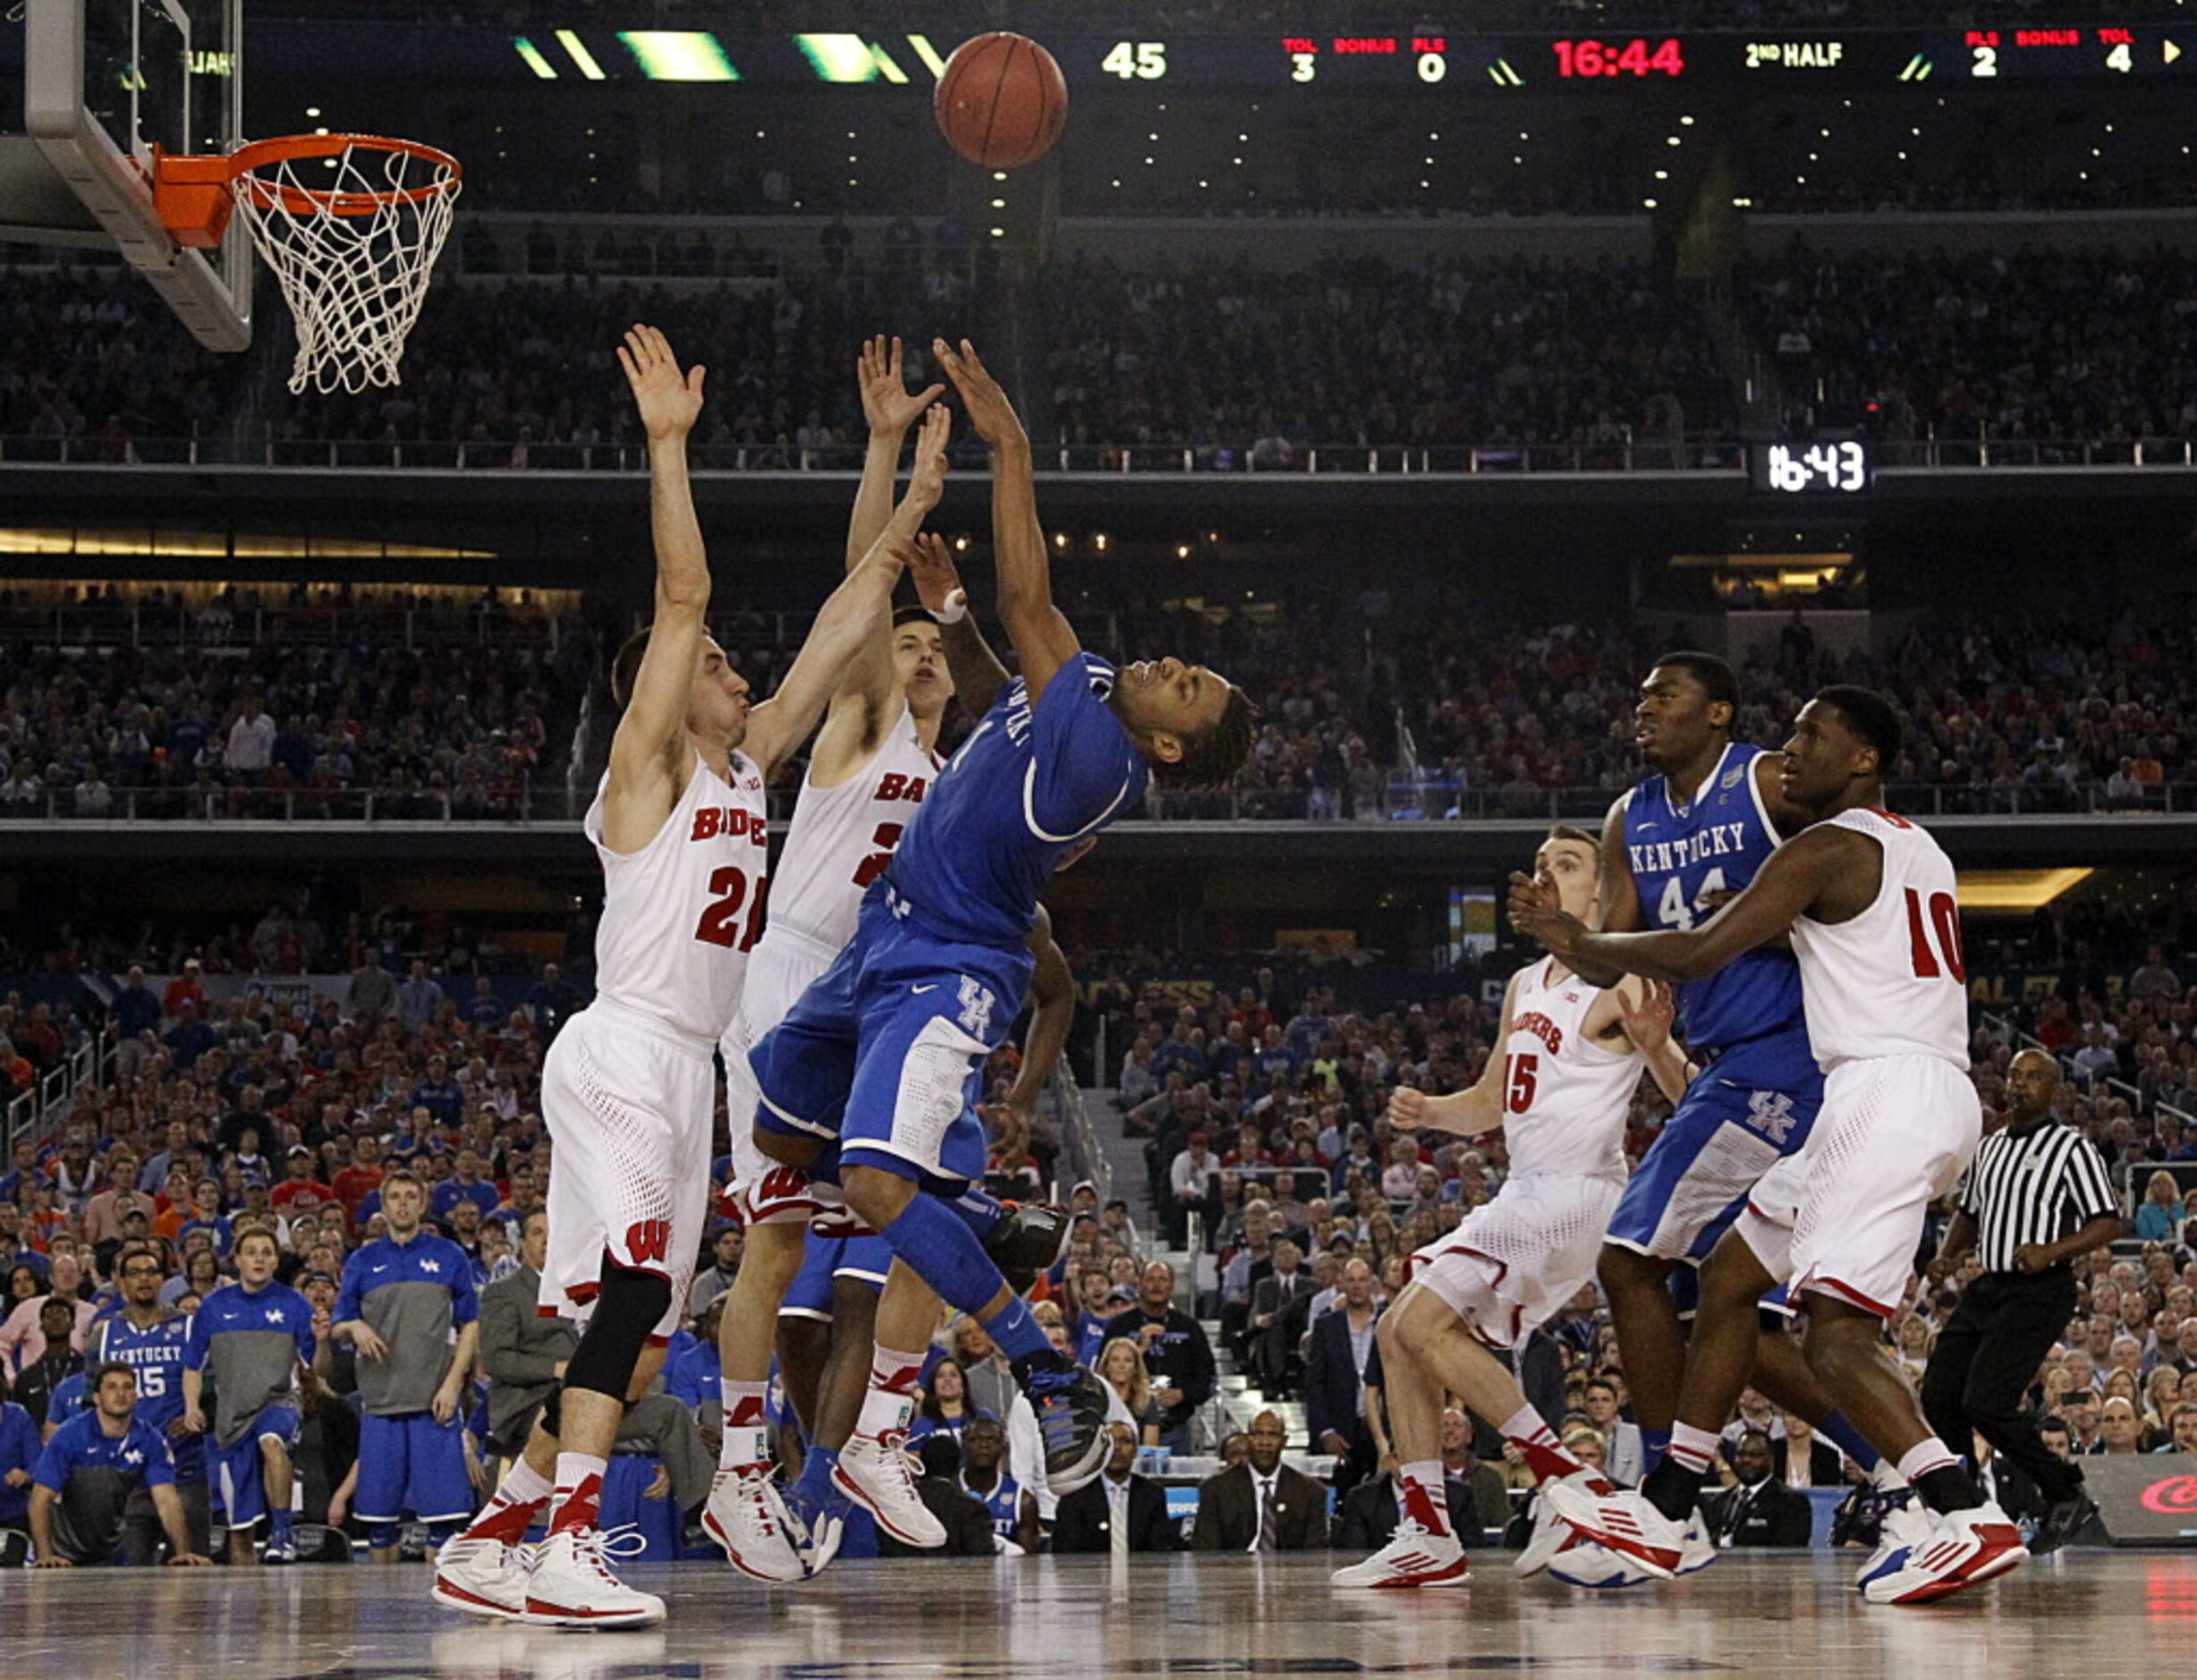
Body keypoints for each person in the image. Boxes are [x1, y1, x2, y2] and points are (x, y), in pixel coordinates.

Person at [445, 326, 936, 1629]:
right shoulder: (649, 767)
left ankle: (492, 1532)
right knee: (645, 1292)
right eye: (720, 666)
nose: (736, 669)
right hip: (624, 1046)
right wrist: (668, 448)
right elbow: (678, 599)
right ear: (669, 699)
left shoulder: (746, 762)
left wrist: (900, 513)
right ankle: (568, 1546)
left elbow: (840, 634)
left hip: (690, 1064)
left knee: (647, 1327)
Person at [748, 336, 1252, 1532]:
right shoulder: (1084, 692)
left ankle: (1045, 1369)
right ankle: (977, 1222)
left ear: (1167, 745)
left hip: (948, 968)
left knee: (869, 1182)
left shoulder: (1101, 753)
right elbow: (996, 678)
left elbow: (1031, 606)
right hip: (877, 945)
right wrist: (955, 609)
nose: (1177, 666)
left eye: (1191, 689)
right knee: (781, 1128)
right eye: (1190, 668)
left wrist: (1010, 443)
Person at [1514, 685, 2026, 1605]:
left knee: (1831, 1338)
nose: (1788, 751)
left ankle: (1961, 1512)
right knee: (1729, 1278)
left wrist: (1579, 940)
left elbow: (1704, 949)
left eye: (1810, 737)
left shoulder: (1825, 846)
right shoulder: (1920, 849)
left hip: (1883, 1091)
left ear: (1861, 759)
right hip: (1893, 1094)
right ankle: (1671, 1498)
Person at [1333, 826, 1690, 1590]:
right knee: (1399, 1335)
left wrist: (1659, 1047)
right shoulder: (1528, 984)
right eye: (1539, 866)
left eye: (1567, 865)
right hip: (1527, 1189)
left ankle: (1572, 1480)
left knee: (1421, 1323)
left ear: (1600, 892)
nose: (1547, 876)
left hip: (1578, 1191)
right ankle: (1427, 1528)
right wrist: (1429, 1110)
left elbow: (1690, 1093)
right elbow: (1491, 1103)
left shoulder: (1620, 974)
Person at [1589, 654, 1885, 1492]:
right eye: (1639, 695)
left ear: (1718, 713)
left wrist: (1797, 923)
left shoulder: (1764, 780)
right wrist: (1565, 936)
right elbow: (1605, 951)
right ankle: (1897, 1469)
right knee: (1734, 1317)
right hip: (1728, 1056)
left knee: (1627, 1263)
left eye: (1664, 695)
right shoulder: (1629, 818)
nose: (1644, 707)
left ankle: (1660, 1497)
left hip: (1787, 1051)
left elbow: (1861, 838)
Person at [1921, 1048, 2118, 1556]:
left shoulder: (2071, 1148)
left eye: (2033, 1078)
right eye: (2014, 1076)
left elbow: (2106, 1220)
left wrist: (2053, 1250)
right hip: (1990, 1284)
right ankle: (1963, 1506)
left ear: (2054, 1090)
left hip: (2042, 1288)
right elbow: (1969, 1211)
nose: (2020, 1085)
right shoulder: (1989, 1149)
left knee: (1985, 1401)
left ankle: (2065, 1489)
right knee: (1940, 1392)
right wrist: (1947, 1256)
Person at [327, 1170, 479, 1565]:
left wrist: (452, 1384)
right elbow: (338, 1325)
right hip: (381, 1405)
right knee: (379, 1527)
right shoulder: (363, 1261)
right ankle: (382, 1621)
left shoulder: (449, 1256)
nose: (403, 1204)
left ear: (424, 1203)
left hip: (435, 1405)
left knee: (443, 1526)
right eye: (395, 1196)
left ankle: (441, 1622)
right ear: (383, 1204)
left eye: (411, 1196)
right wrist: (355, 1326)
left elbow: (470, 1324)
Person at [181, 1226, 315, 1563]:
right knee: (240, 1528)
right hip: (232, 1417)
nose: (259, 1258)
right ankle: (247, 1607)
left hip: (279, 1401)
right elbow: (193, 1365)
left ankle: (282, 1533)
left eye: (267, 1252)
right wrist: (191, 1406)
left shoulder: (295, 1304)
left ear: (275, 1260)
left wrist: (323, 1340)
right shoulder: (213, 1308)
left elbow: (315, 1366)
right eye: (251, 1252)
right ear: (237, 1260)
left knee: (272, 1440)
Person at [30, 1362, 210, 1566]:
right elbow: (40, 1499)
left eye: (127, 1387)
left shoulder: (150, 1440)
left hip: (113, 1554)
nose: (121, 1393)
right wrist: (45, 1556)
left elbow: (167, 1501)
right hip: (63, 1555)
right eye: (112, 1387)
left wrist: (183, 1552)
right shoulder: (69, 1435)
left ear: (135, 1397)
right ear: (96, 1397)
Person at [1339, 1407, 1509, 1551]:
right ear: (1389, 1462)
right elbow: (1354, 1555)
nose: (1409, 1467)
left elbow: (1474, 1553)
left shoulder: (1459, 1497)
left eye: (1416, 1459)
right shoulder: (1362, 1499)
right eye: (1402, 1458)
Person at [1101, 1261, 1216, 1454]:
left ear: (1171, 1286)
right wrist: (1140, 1349)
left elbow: (1207, 1377)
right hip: (1127, 1428)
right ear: (1139, 1285)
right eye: (1150, 1280)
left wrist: (1183, 1394)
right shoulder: (1120, 1326)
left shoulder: (1189, 1327)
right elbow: (1104, 1372)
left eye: (1162, 1280)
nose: (1156, 1285)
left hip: (1176, 1429)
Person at [1192, 1408, 1328, 1551]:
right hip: (1233, 1571)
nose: (1265, 1442)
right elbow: (1206, 1552)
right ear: (1247, 1439)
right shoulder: (1215, 1489)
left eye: (1273, 1435)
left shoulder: (1310, 1491)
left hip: (1290, 1571)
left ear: (1284, 1441)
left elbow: (1315, 1554)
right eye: (1258, 1434)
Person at [1052, 1421, 1177, 1554]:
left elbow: (1160, 1550)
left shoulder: (1152, 1494)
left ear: (1135, 1451)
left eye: (1125, 1441)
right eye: (1109, 1443)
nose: (1117, 1447)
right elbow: (1065, 1551)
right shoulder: (1076, 1494)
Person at [1702, 1428, 1814, 1548]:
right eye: (1741, 1454)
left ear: (1771, 1459)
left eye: (1755, 1455)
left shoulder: (1791, 1503)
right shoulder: (1718, 1502)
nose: (1746, 1460)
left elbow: (1788, 1555)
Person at [956, 1413, 1039, 1553]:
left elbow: (1028, 1563)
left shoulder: (1022, 1501)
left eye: (992, 1439)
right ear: (964, 1445)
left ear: (1003, 1447)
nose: (984, 1445)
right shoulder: (949, 1492)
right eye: (976, 1439)